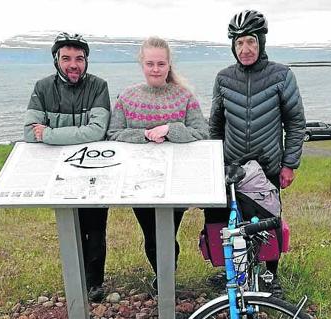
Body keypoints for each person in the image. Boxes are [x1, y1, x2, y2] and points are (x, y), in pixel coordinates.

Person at [209, 10, 306, 297]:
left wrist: (289, 164)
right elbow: (215, 123)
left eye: (250, 41)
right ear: (233, 46)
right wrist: (214, 162)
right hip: (231, 165)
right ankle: (231, 271)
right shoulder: (223, 78)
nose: (245, 49)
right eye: (239, 43)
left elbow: (295, 121)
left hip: (268, 166)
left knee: (266, 220)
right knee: (228, 222)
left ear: (261, 42)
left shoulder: (281, 75)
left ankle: (269, 275)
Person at [107, 36, 208, 291]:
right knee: (151, 236)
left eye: (160, 64)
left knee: (168, 233)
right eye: (150, 63)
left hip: (177, 179)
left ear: (169, 64)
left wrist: (170, 129)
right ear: (142, 63)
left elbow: (202, 132)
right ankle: (162, 278)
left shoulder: (184, 97)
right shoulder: (127, 97)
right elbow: (113, 133)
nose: (155, 69)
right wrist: (144, 135)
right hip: (138, 180)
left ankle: (167, 278)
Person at [24, 32, 111, 302]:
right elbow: (29, 132)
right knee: (70, 226)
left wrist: (48, 133)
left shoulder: (99, 86)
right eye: (66, 58)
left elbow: (97, 131)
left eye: (79, 59)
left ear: (86, 61)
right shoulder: (42, 87)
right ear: (56, 60)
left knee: (95, 228)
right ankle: (76, 280)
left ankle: (94, 283)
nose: (73, 64)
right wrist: (77, 132)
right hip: (59, 173)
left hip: (95, 170)